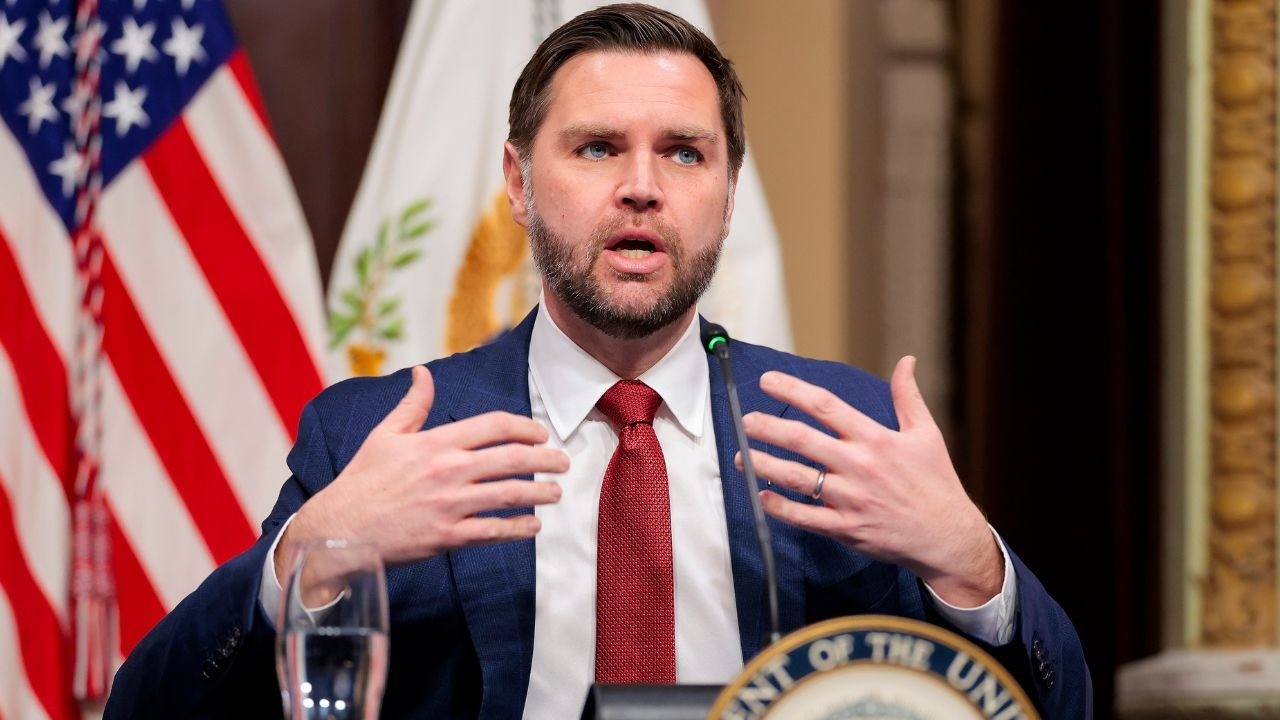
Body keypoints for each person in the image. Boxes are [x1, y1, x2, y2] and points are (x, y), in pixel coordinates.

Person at [105, 4, 1091, 718]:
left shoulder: (840, 433)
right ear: (517, 182)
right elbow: (150, 705)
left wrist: (973, 568)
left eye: (685, 153)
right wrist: (306, 559)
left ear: (729, 193)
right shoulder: (377, 436)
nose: (641, 187)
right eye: (595, 149)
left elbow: (1059, 703)